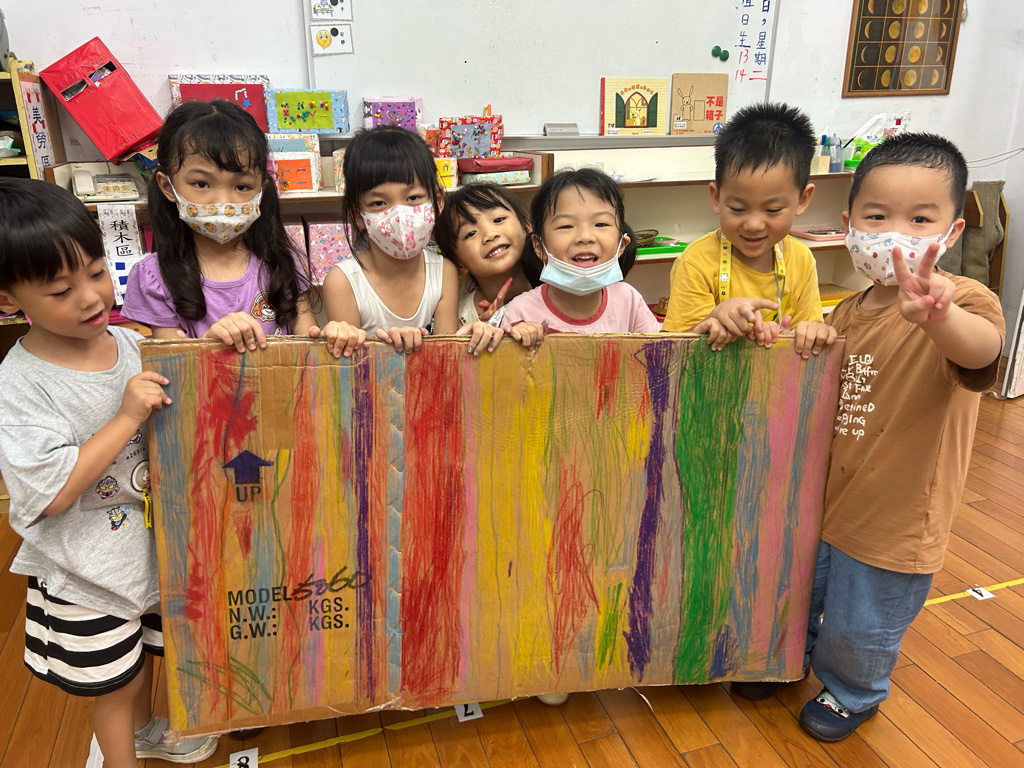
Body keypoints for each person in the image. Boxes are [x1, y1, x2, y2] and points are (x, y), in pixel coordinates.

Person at [733, 133, 1005, 744]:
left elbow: (982, 352)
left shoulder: (962, 300)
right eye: (877, 217)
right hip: (832, 499)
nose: (895, 234)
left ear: (953, 232)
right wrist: (802, 337)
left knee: (862, 622)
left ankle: (853, 692)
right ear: (848, 223)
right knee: (803, 592)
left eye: (920, 219)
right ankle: (790, 659)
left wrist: (941, 318)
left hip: (897, 518)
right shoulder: (848, 311)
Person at [0, 179, 217, 766]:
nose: (91, 297)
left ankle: (144, 734)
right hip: (84, 572)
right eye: (60, 290)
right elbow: (48, 492)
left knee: (138, 662)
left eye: (96, 272)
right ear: (8, 299)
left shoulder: (129, 342)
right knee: (114, 687)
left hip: (145, 552)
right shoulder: (21, 383)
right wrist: (125, 417)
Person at [321, 126, 544, 357]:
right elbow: (348, 365)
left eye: (413, 198)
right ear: (358, 215)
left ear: (437, 201)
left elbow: (445, 357)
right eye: (379, 203)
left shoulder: (443, 272)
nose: (399, 215)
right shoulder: (342, 282)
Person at [122, 100, 318, 351]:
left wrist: (335, 337)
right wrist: (209, 345)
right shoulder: (155, 277)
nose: (223, 202)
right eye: (202, 184)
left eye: (242, 187)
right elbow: (170, 366)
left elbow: (311, 350)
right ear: (167, 186)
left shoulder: (282, 262)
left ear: (261, 190)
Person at [662, 102, 835, 358]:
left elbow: (808, 333)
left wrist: (812, 332)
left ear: (802, 199)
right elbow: (673, 351)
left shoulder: (801, 259)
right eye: (738, 209)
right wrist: (713, 320)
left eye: (773, 210)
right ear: (716, 197)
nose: (753, 225)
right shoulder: (696, 262)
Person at [501, 168, 660, 334]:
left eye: (601, 224)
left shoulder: (629, 301)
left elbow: (656, 348)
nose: (585, 237)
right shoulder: (520, 313)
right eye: (566, 226)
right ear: (539, 246)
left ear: (621, 245)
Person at [433, 183, 539, 327]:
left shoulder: (556, 294)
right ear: (459, 264)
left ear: (526, 228)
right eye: (471, 233)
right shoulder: (460, 320)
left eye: (498, 220)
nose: (490, 235)